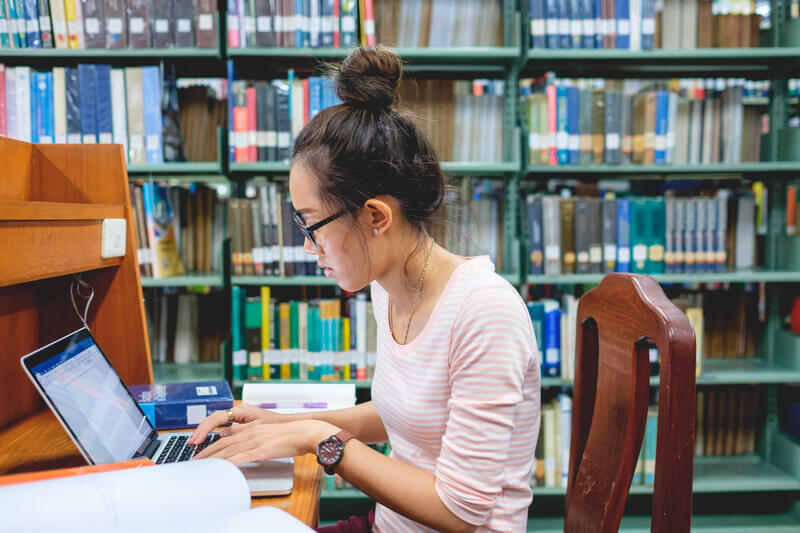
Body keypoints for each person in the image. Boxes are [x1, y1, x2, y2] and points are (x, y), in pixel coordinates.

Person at [190, 45, 541, 533]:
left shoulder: (486, 312)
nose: (311, 247)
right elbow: (407, 414)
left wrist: (320, 440)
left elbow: (460, 513)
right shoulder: (389, 285)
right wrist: (279, 424)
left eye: (313, 225)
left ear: (376, 216)